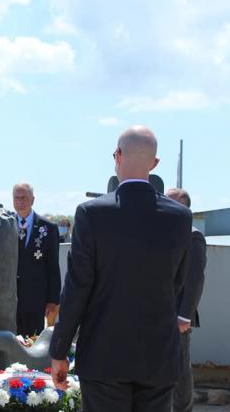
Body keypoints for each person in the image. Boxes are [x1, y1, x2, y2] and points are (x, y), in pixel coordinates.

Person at [50, 126, 192, 412]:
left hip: (104, 357)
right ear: (154, 164)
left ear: (116, 156)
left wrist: (59, 351)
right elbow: (176, 284)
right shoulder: (180, 218)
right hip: (158, 357)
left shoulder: (91, 214)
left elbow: (78, 288)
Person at [166, 188, 207, 412]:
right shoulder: (164, 233)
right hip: (160, 313)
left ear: (185, 207)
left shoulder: (192, 235)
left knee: (180, 369)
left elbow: (195, 280)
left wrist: (184, 316)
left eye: (172, 202)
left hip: (178, 317)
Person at [13, 183, 61, 336]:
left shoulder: (48, 228)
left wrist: (53, 300)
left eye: (24, 198)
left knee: (33, 342)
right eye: (16, 198)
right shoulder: (5, 225)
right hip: (9, 299)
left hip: (36, 299)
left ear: (32, 200)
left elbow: (53, 267)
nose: (20, 201)